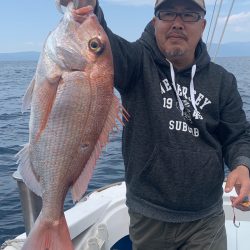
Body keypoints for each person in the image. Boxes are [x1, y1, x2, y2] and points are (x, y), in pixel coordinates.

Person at [62, 0, 250, 249]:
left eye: (189, 15)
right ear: (155, 22)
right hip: (148, 217)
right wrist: (88, 7)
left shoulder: (223, 81)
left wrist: (241, 164)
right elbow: (100, 41)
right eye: (168, 13)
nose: (178, 23)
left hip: (206, 218)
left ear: (203, 25)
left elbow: (237, 135)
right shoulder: (136, 63)